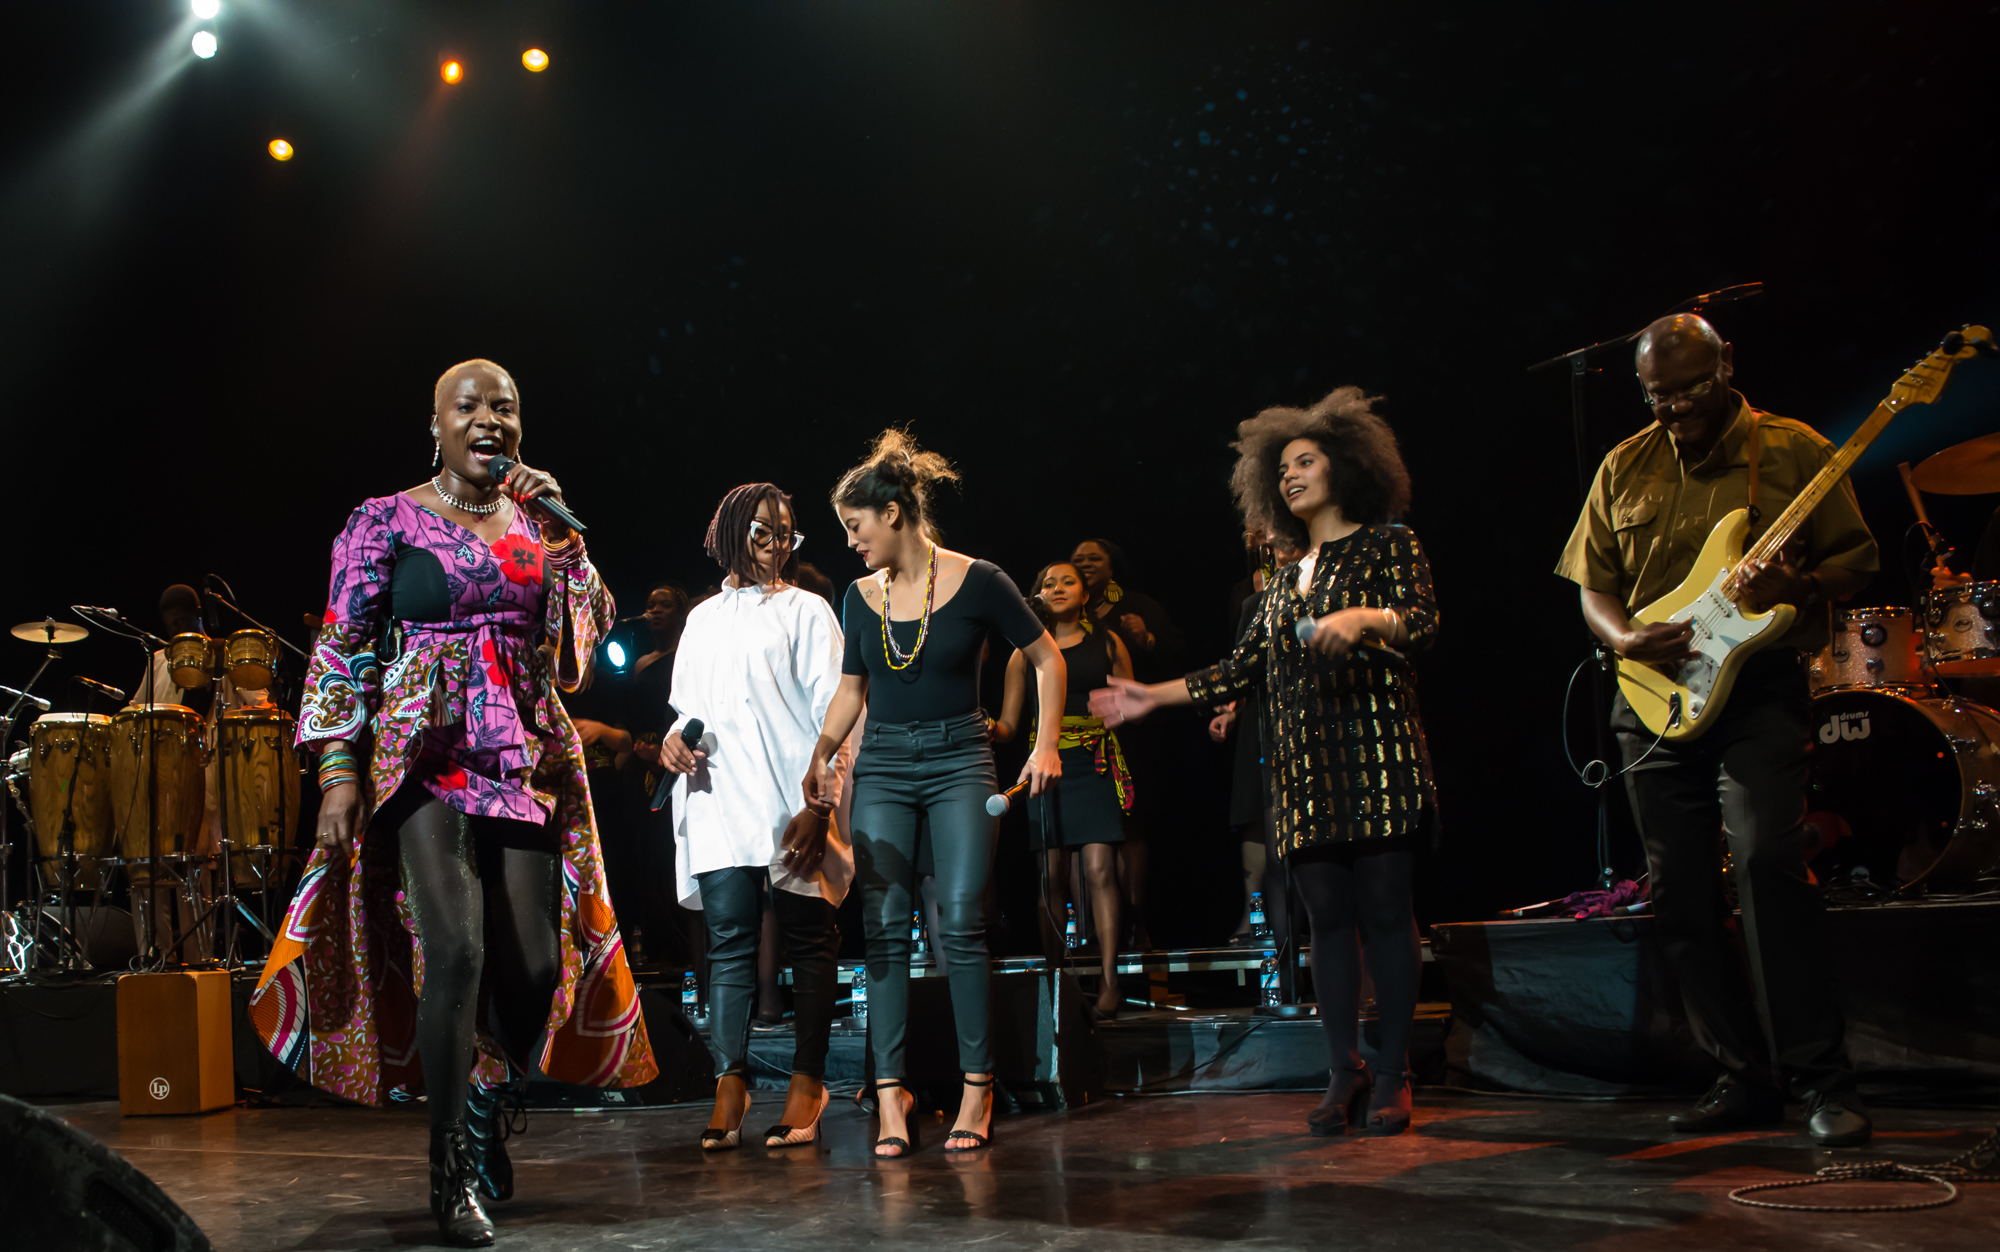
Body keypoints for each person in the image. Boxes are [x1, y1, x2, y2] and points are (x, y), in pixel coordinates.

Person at [255, 359, 656, 1246]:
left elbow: (583, 640)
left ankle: (484, 1098)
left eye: (504, 408)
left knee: (538, 966)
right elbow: (341, 645)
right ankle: (450, 1170)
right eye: (467, 407)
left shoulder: (537, 528)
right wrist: (336, 770)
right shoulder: (383, 519)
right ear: (433, 425)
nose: (488, 420)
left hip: (522, 750)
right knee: (457, 946)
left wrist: (568, 540)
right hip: (423, 751)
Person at [1556, 314, 1878, 1147]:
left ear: (1727, 363)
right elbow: (1592, 585)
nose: (1674, 409)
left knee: (1770, 862)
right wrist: (1623, 638)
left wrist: (1798, 582)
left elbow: (1858, 559)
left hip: (1759, 693)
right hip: (1652, 697)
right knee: (1680, 893)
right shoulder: (1624, 462)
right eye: (1657, 395)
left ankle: (1822, 1081)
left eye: (1691, 389)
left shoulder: (1794, 449)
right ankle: (1741, 1076)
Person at [1093, 386, 1438, 1138]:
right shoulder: (1282, 583)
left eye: (1305, 461)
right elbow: (1235, 669)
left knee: (1385, 913)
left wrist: (1365, 617)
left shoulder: (1388, 545)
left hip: (1375, 753)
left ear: (1345, 467)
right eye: (1281, 468)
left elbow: (1422, 621)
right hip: (1306, 767)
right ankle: (1342, 1068)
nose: (1290, 476)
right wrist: (1151, 696)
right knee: (1325, 923)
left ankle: (1392, 1071)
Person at [804, 429, 1065, 1157]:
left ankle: (976, 1088)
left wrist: (1044, 744)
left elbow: (1044, 656)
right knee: (884, 926)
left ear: (893, 512)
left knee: (960, 923)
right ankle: (893, 1096)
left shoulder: (980, 580)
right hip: (883, 762)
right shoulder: (860, 598)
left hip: (960, 758)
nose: (851, 542)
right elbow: (853, 688)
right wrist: (823, 753)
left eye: (855, 526)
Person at [647, 483, 851, 1151]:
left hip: (793, 799)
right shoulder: (702, 619)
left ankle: (807, 1082)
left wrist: (819, 804)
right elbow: (694, 714)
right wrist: (675, 742)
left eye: (786, 533)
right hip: (718, 798)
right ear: (729, 534)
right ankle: (728, 1082)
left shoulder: (809, 611)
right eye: (762, 532)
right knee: (729, 947)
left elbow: (839, 718)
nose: (775, 545)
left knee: (807, 941)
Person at [991, 560, 1134, 1020]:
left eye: (1067, 581)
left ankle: (1111, 982)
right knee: (1050, 877)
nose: (1056, 588)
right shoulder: (1023, 652)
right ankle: (1057, 983)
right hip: (1045, 768)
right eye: (1047, 582)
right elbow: (1011, 725)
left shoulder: (1107, 642)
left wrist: (1112, 716)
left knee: (1099, 870)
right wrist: (986, 725)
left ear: (1085, 593)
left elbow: (1133, 702)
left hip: (1092, 762)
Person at [1069, 539, 1183, 950]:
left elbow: (1173, 654)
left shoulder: (1134, 606)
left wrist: (1145, 637)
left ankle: (1136, 924)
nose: (1083, 565)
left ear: (1111, 568)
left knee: (1129, 827)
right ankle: (1088, 929)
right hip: (1076, 740)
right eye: (1077, 560)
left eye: (1093, 559)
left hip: (1127, 734)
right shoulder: (1064, 611)